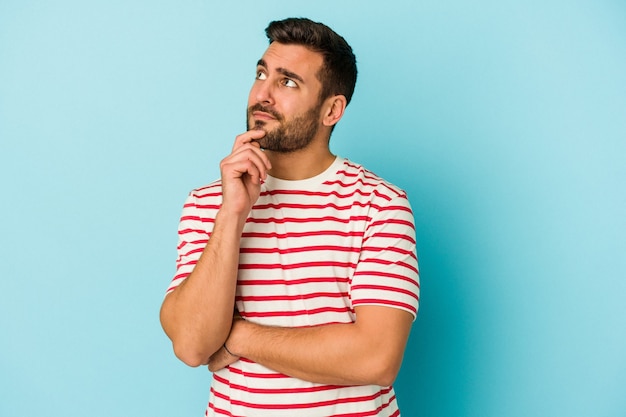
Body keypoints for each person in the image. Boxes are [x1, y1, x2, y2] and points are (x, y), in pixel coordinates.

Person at [160, 17, 420, 416]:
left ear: (331, 109)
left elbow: (376, 359)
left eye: (287, 82)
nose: (262, 94)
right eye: (261, 74)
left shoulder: (379, 203)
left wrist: (239, 336)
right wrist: (231, 215)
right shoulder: (208, 202)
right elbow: (193, 344)